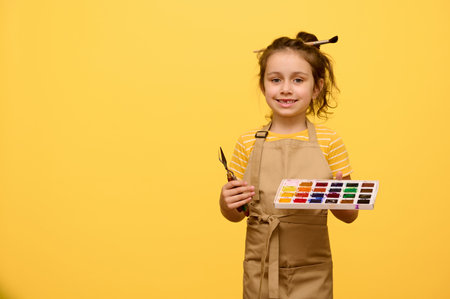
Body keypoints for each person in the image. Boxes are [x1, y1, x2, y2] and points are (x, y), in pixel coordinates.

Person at [219, 31, 358, 299]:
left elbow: (350, 215)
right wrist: (227, 202)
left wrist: (341, 195)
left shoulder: (330, 142)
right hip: (261, 268)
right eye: (275, 79)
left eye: (298, 80)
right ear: (263, 86)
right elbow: (238, 213)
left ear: (316, 87)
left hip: (312, 271)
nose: (285, 88)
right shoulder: (247, 142)